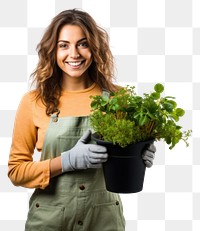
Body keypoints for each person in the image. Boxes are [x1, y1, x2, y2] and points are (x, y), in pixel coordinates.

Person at [8, 9, 156, 231]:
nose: (74, 54)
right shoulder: (33, 102)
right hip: (49, 221)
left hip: (104, 220)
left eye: (83, 44)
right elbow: (16, 171)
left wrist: (138, 153)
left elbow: (125, 162)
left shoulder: (119, 99)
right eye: (64, 45)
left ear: (95, 49)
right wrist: (65, 161)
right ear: (52, 51)